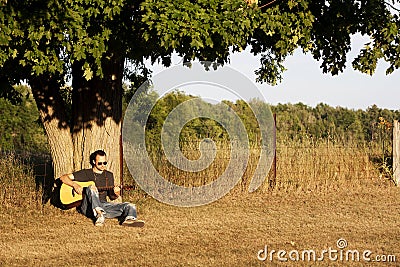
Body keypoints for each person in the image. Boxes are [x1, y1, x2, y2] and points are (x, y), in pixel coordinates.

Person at [60, 150, 144, 227]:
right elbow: (63, 178)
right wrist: (74, 185)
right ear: (93, 162)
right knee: (91, 187)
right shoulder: (86, 173)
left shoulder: (109, 175)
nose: (103, 165)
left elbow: (112, 197)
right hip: (88, 206)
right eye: (100, 163)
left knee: (130, 205)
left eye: (105, 163)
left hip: (104, 205)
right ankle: (99, 214)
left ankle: (130, 219)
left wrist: (116, 193)